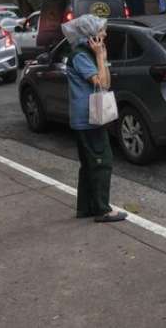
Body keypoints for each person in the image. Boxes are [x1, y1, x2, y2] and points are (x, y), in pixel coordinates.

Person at [63, 15, 127, 223]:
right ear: (90, 35)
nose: (105, 34)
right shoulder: (81, 56)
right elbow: (101, 83)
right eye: (101, 31)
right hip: (89, 118)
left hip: (87, 117)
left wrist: (101, 56)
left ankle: (86, 208)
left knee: (89, 164)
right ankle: (102, 210)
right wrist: (100, 56)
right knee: (101, 161)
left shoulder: (87, 53)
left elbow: (106, 82)